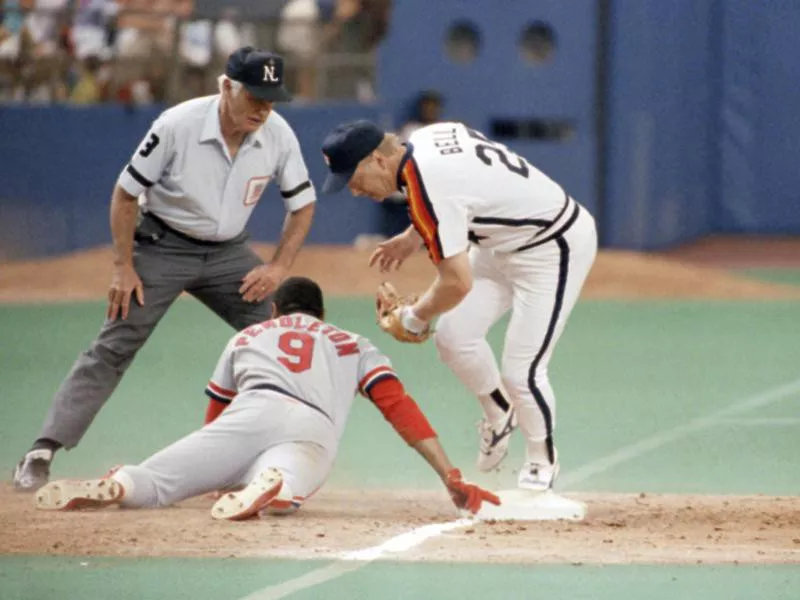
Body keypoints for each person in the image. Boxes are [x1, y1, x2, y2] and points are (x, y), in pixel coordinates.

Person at [12, 47, 317, 492]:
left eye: (272, 98)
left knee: (284, 331)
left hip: (229, 255)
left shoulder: (278, 134)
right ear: (226, 87)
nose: (265, 108)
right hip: (162, 248)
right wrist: (123, 267)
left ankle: (270, 453)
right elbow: (125, 194)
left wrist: (278, 266)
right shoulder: (178, 125)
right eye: (255, 96)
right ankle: (42, 450)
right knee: (114, 344)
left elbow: (303, 205)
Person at [33, 277, 500, 520]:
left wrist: (214, 471)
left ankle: (121, 484)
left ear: (275, 310)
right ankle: (274, 483)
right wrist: (449, 473)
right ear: (322, 313)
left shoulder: (248, 337)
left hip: (246, 412)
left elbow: (216, 414)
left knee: (158, 482)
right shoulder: (352, 342)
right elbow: (400, 409)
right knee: (288, 481)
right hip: (310, 427)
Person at [320, 120, 597, 491]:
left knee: (522, 372)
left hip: (552, 248)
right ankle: (500, 413)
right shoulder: (427, 137)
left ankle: (540, 461)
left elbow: (457, 281)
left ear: (377, 160)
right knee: (453, 338)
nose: (353, 191)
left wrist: (414, 318)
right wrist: (413, 235)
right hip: (496, 244)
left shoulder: (428, 185)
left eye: (352, 178)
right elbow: (468, 187)